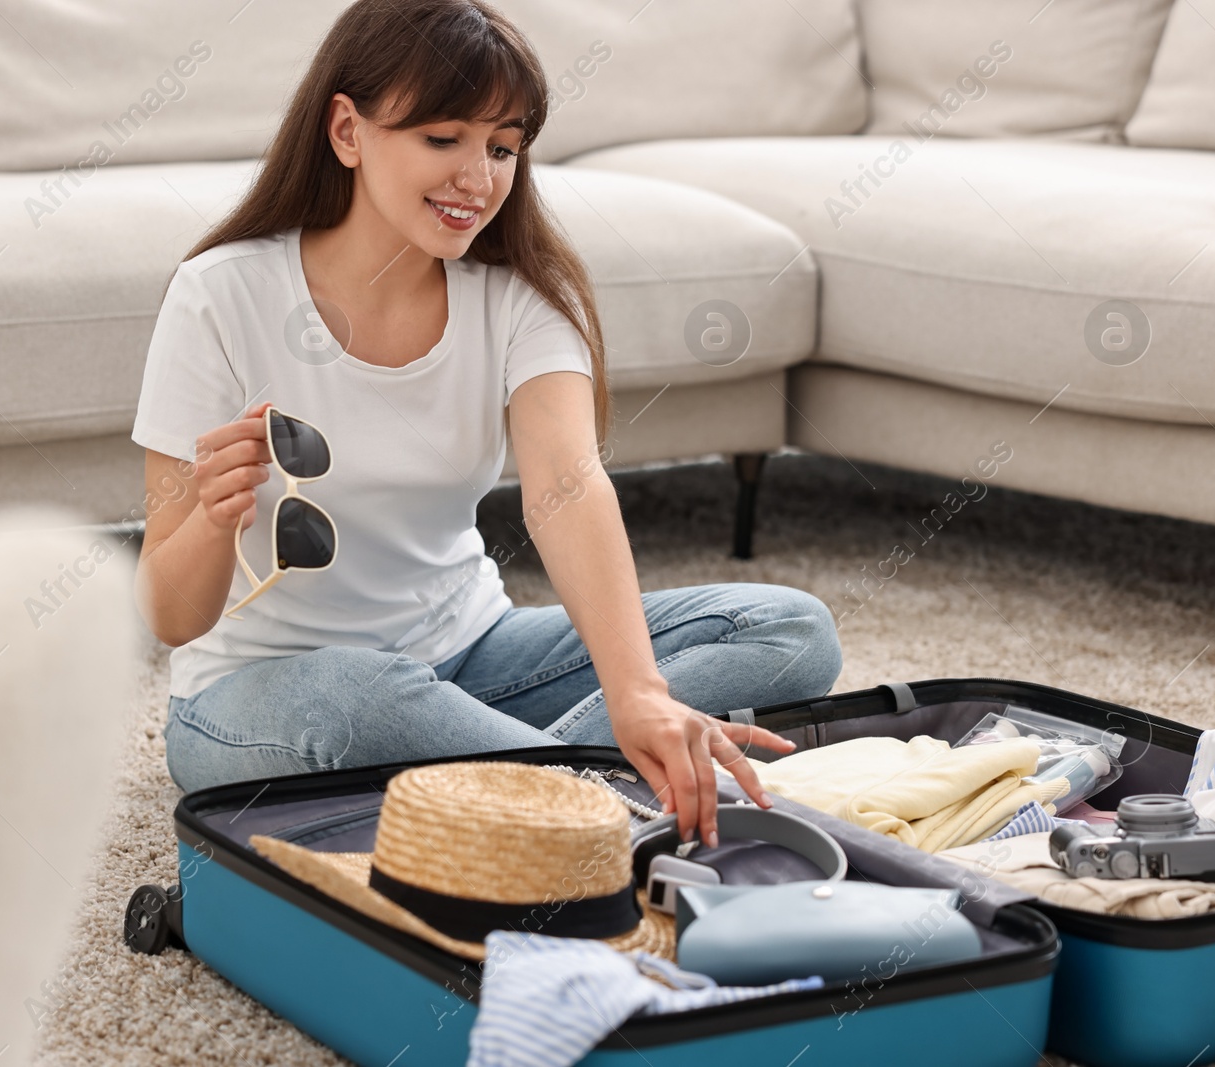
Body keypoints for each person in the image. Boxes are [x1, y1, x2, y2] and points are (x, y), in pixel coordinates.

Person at [130, 0, 842, 850]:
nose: (480, 177)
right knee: (364, 701)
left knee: (791, 629)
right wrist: (214, 517)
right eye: (444, 139)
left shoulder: (521, 299)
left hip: (472, 655)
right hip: (267, 695)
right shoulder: (220, 293)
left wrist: (637, 690)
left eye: (502, 147)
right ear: (348, 132)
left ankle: (547, 787)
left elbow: (565, 487)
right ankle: (603, 795)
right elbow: (171, 618)